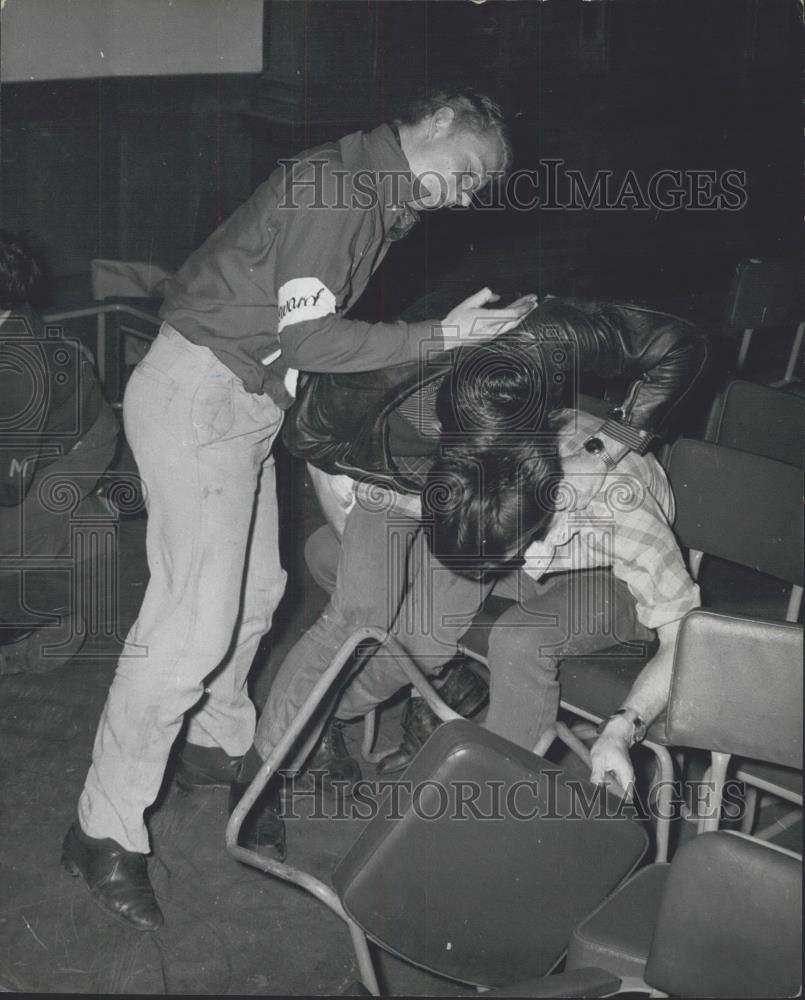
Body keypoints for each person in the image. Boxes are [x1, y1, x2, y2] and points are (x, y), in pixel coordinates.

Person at [61, 87, 535, 932]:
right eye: (466, 173)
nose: (465, 197)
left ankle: (214, 742)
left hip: (235, 401)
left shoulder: (364, 189)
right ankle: (102, 829)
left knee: (258, 595)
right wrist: (442, 337)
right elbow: (313, 343)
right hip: (202, 397)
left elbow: (297, 342)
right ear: (434, 124)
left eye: (476, 189)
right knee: (188, 629)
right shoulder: (346, 189)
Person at [234, 296, 707, 851]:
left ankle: (484, 826)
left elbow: (685, 637)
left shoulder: (619, 511)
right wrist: (369, 508)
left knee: (518, 639)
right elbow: (330, 450)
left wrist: (623, 728)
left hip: (605, 576)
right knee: (417, 632)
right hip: (495, 517)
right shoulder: (476, 467)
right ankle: (317, 724)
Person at [0, 231, 119, 675]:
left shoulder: (18, 371)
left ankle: (43, 625)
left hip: (78, 447)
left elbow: (9, 486)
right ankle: (81, 516)